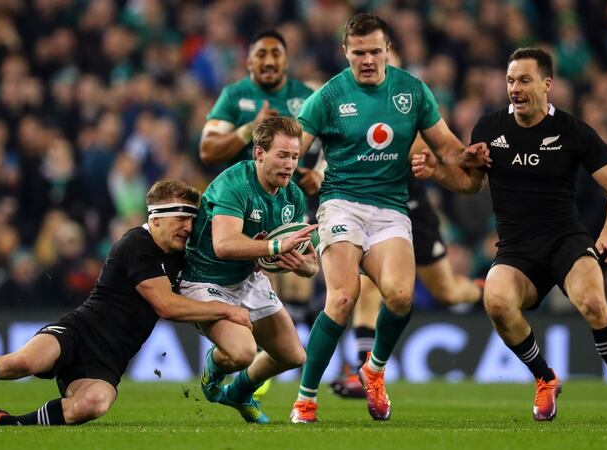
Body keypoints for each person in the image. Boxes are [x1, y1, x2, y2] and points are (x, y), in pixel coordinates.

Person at [412, 47, 607, 423]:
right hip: (517, 248)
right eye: (510, 81)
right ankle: (545, 377)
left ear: (547, 84)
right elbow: (472, 185)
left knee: (592, 302)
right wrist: (437, 172)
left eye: (524, 80)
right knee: (496, 301)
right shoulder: (489, 127)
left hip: (566, 240)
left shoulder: (573, 131)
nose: (514, 88)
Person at [0, 181, 252, 426]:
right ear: (155, 217)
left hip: (109, 360)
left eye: (192, 220)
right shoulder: (136, 245)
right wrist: (226, 309)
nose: (188, 228)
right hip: (80, 331)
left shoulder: (179, 250)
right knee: (23, 361)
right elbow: (167, 306)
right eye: (181, 219)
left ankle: (0, 421)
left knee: (92, 405)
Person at [288, 13, 484, 423]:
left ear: (388, 50)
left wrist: (469, 156)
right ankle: (305, 399)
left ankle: (372, 370)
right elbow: (292, 150)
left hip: (392, 209)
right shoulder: (326, 97)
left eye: (376, 51)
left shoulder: (412, 91)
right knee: (342, 296)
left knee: (400, 296)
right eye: (359, 53)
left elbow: (446, 147)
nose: (368, 60)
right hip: (341, 203)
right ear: (346, 53)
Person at [182, 116, 318, 423]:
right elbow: (225, 244)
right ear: (259, 153)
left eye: (295, 157)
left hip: (246, 277)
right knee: (242, 353)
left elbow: (292, 257)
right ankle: (213, 372)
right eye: (282, 155)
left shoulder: (293, 197)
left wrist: (306, 268)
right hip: (205, 279)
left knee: (293, 356)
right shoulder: (234, 183)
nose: (290, 164)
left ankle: (240, 392)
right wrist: (273, 249)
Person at [198, 29, 319, 329]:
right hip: (240, 202)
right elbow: (207, 150)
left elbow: (336, 143)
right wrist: (247, 128)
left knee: (298, 262)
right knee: (266, 275)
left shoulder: (305, 97)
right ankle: (262, 348)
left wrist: (319, 173)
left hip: (287, 195)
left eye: (275, 53)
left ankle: (282, 339)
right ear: (249, 62)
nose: (268, 60)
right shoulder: (235, 96)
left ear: (286, 61)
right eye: (260, 54)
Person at [331, 180, 483, 398]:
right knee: (369, 286)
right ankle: (363, 370)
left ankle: (483, 291)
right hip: (375, 208)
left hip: (412, 208)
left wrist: (432, 168)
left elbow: (430, 151)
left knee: (447, 292)